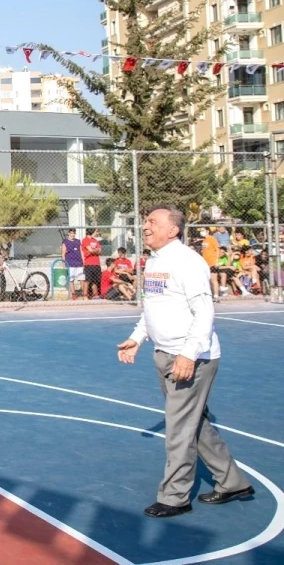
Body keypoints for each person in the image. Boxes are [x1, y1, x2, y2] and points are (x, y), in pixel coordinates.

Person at [116, 206, 254, 519]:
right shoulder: (155, 260)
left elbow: (204, 312)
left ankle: (175, 496)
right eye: (145, 220)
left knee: (178, 427)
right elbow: (152, 308)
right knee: (196, 424)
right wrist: (137, 338)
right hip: (165, 353)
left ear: (173, 230)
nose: (145, 225)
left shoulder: (187, 262)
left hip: (191, 357)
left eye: (153, 221)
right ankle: (232, 482)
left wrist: (188, 354)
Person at [62, 229, 84, 299]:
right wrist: (64, 263)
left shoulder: (78, 241)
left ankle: (84, 293)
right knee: (71, 280)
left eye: (74, 233)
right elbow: (63, 253)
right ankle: (73, 294)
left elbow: (81, 251)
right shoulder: (65, 242)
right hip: (70, 263)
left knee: (82, 279)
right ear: (68, 233)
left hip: (79, 263)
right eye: (71, 233)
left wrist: (83, 261)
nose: (73, 235)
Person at [82, 228, 103, 299]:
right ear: (92, 232)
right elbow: (91, 250)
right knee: (88, 280)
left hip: (96, 263)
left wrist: (94, 250)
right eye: (96, 232)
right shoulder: (85, 240)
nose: (97, 233)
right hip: (88, 263)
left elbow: (100, 251)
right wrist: (95, 250)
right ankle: (85, 295)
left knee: (95, 280)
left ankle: (95, 294)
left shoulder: (95, 240)